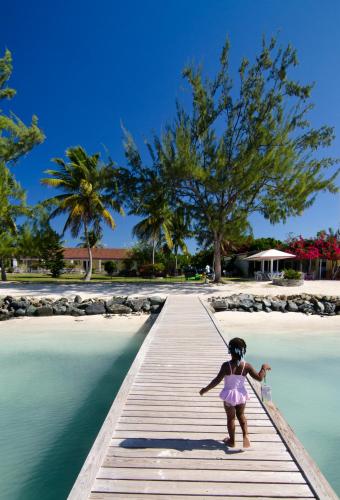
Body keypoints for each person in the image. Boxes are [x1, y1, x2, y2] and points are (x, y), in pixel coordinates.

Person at [199, 337, 271, 448]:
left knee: (231, 418)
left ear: (230, 350)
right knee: (241, 415)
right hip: (241, 395)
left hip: (228, 396)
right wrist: (263, 367)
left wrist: (205, 389)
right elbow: (259, 378)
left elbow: (216, 381)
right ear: (243, 351)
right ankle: (245, 435)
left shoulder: (226, 366)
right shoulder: (246, 366)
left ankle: (232, 441)